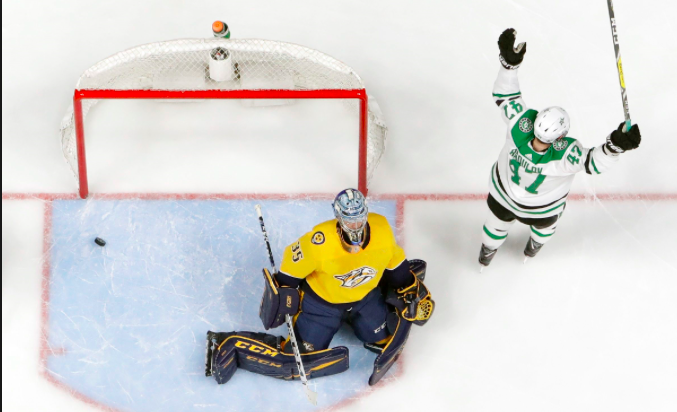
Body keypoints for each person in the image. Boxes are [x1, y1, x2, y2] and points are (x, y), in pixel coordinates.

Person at [206, 188, 433, 386]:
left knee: (383, 338)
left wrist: (410, 287)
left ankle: (366, 317)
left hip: (365, 298)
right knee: (303, 356)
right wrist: (286, 294)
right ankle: (235, 345)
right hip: (321, 305)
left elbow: (394, 264)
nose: (355, 225)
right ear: (339, 217)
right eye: (349, 219)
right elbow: (290, 270)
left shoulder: (381, 228)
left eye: (359, 218)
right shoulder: (319, 241)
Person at [479, 29, 642, 268]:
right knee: (545, 230)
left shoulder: (519, 123)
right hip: (541, 210)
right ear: (560, 137)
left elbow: (505, 96)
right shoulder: (566, 154)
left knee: (495, 225)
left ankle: (486, 253)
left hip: (502, 196)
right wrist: (615, 146)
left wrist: (508, 66)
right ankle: (533, 249)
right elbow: (594, 162)